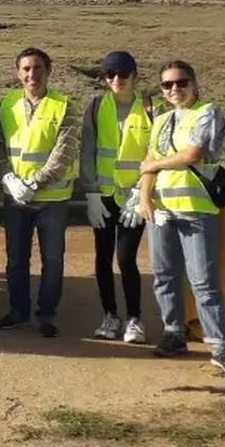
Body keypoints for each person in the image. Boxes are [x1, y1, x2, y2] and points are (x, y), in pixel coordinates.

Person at [139, 61, 225, 377]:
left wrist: (153, 167)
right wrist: (144, 197)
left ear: (194, 83)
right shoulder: (161, 119)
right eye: (167, 85)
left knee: (204, 282)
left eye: (180, 82)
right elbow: (149, 162)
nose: (174, 89)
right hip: (162, 210)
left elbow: (192, 155)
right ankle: (174, 333)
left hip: (196, 210)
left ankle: (220, 346)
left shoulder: (207, 112)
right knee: (165, 275)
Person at [0, 47, 80, 337]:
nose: (32, 74)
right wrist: (8, 177)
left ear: (48, 71)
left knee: (52, 260)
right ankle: (18, 311)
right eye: (26, 69)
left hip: (51, 199)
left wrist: (34, 183)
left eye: (38, 68)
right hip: (16, 198)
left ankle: (47, 314)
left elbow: (63, 153)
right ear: (18, 73)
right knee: (16, 259)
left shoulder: (63, 105)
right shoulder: (6, 105)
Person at [80, 51, 152, 343]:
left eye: (123, 74)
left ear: (135, 77)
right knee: (102, 257)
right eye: (110, 75)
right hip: (105, 196)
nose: (116, 80)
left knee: (125, 258)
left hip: (134, 196)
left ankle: (135, 318)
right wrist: (91, 192)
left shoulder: (151, 108)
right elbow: (88, 150)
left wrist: (142, 191)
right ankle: (110, 315)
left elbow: (156, 152)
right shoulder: (97, 107)